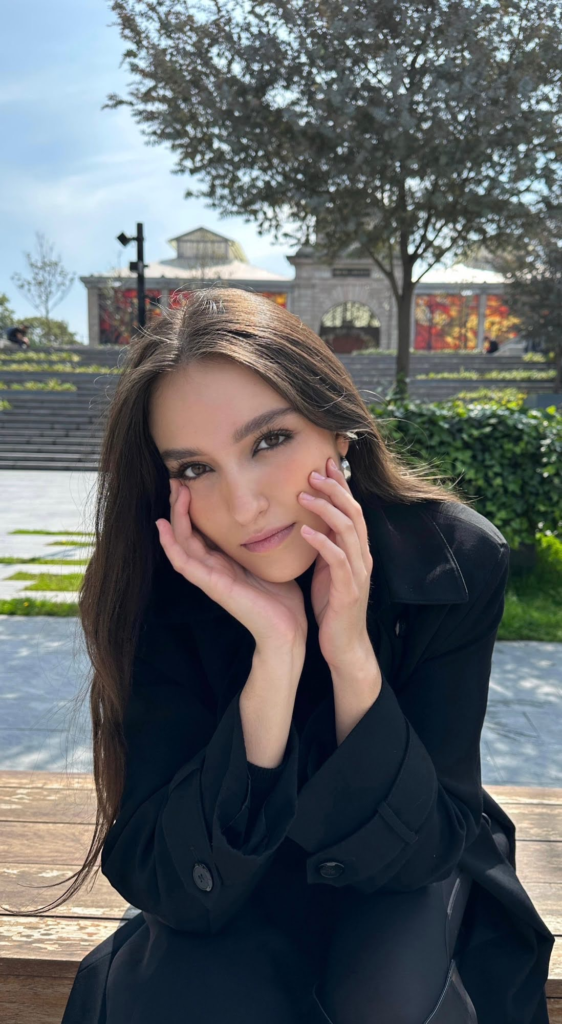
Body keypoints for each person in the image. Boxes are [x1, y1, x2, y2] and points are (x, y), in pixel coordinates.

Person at [21, 288, 550, 1024]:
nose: (244, 506)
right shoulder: (156, 585)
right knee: (194, 1000)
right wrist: (277, 653)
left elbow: (430, 843)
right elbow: (166, 874)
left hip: (414, 870)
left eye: (269, 441)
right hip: (233, 888)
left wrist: (349, 654)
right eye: (195, 468)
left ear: (339, 427)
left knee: (389, 1000)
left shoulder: (451, 560)